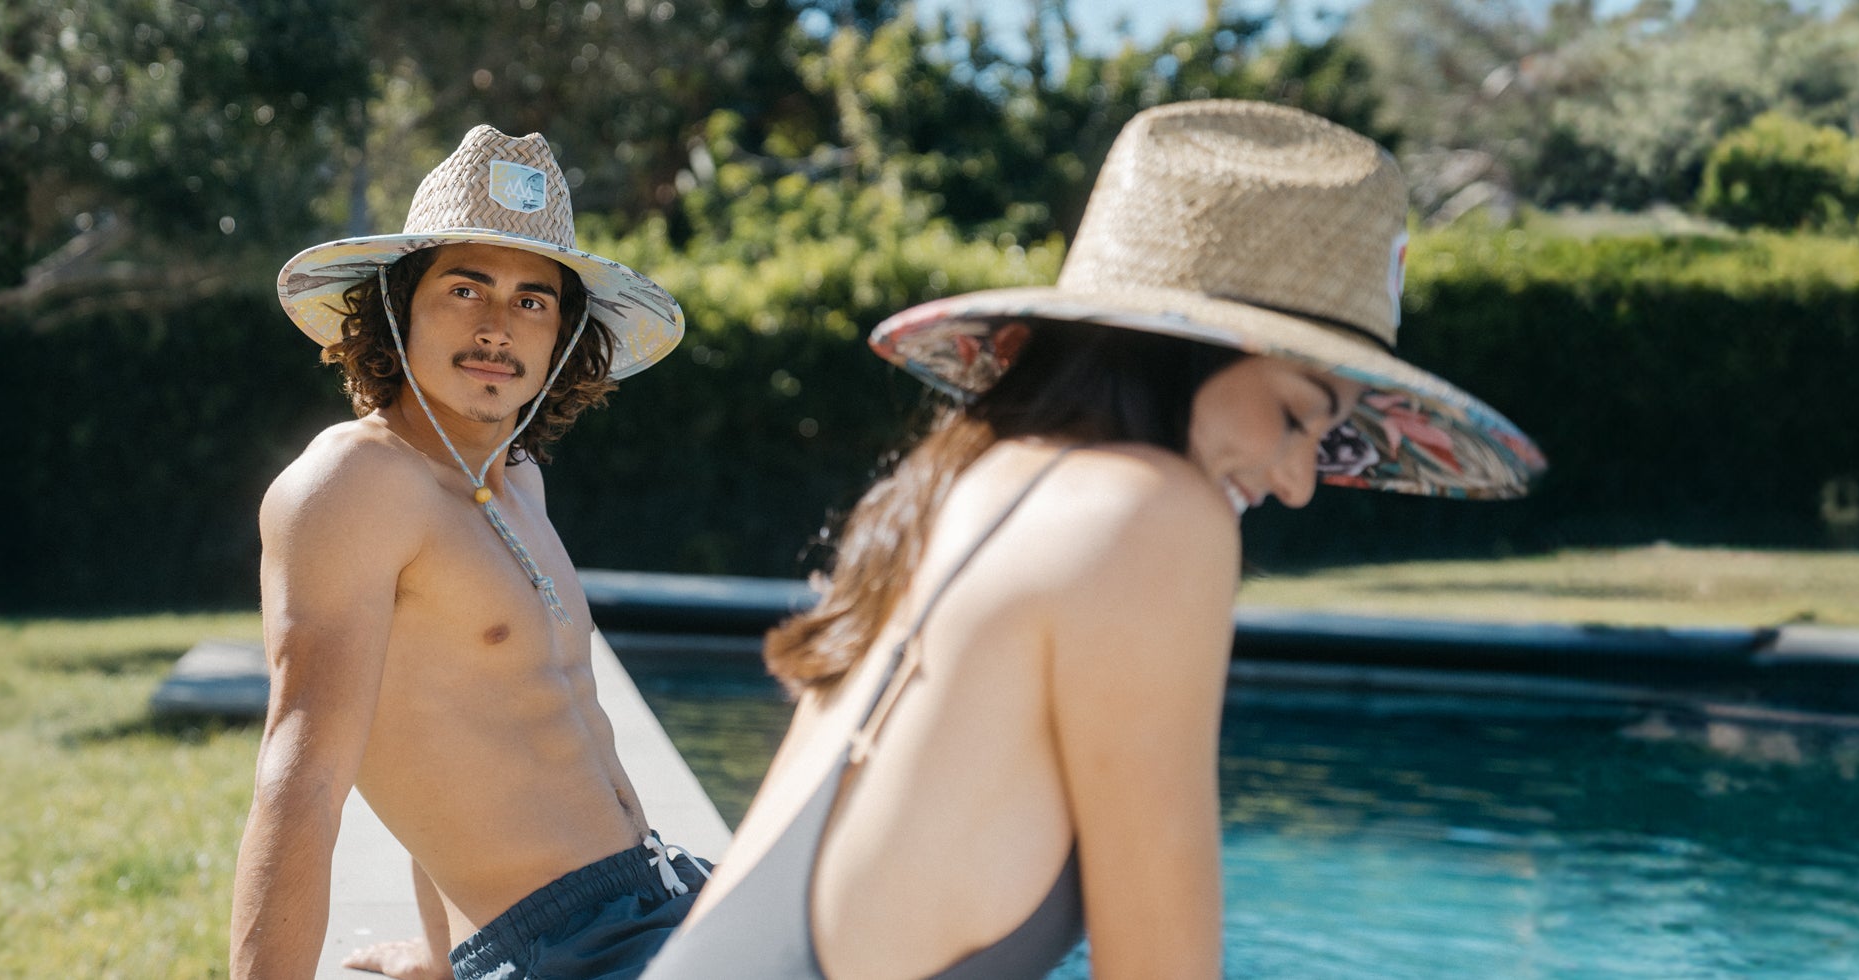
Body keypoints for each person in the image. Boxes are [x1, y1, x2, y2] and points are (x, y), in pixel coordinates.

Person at [646, 100, 1542, 979]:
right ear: (1179, 349)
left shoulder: (953, 486)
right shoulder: (1150, 516)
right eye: (1297, 416)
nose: (1302, 481)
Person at [231, 127, 704, 980]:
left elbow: (448, 731)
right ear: (398, 305)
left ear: (561, 334)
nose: (497, 327)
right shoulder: (353, 484)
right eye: (465, 287)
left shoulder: (515, 477)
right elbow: (302, 782)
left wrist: (444, 957)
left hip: (660, 896)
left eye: (532, 300)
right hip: (572, 949)